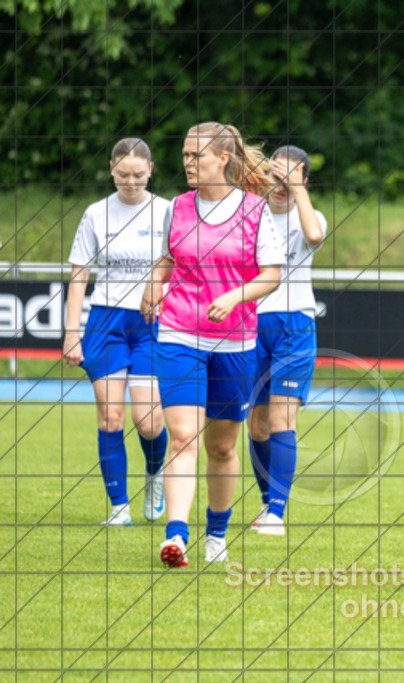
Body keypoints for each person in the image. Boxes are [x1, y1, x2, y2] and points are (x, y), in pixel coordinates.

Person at [141, 122, 284, 568]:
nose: (186, 163)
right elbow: (169, 257)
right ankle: (176, 537)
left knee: (221, 446)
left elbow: (272, 274)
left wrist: (235, 295)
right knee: (185, 436)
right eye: (183, 155)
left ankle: (216, 532)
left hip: (236, 343)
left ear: (222, 158)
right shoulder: (177, 208)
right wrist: (154, 284)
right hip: (179, 333)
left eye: (195, 156)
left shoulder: (256, 212)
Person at [64, 137, 170, 527]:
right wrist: (71, 333)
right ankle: (119, 508)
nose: (130, 182)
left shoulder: (168, 211)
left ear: (151, 170)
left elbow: (183, 264)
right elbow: (79, 274)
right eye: (123, 175)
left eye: (139, 175)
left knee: (150, 422)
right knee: (110, 416)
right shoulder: (95, 214)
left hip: (152, 323)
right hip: (105, 322)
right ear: (110, 168)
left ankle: (155, 473)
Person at [247, 145, 326, 536]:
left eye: (291, 178)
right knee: (256, 425)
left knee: (282, 420)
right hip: (250, 323)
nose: (281, 186)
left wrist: (299, 192)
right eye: (276, 178)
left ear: (303, 181)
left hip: (295, 325)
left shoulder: (311, 216)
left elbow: (313, 235)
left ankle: (277, 513)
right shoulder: (248, 215)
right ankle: (266, 503)